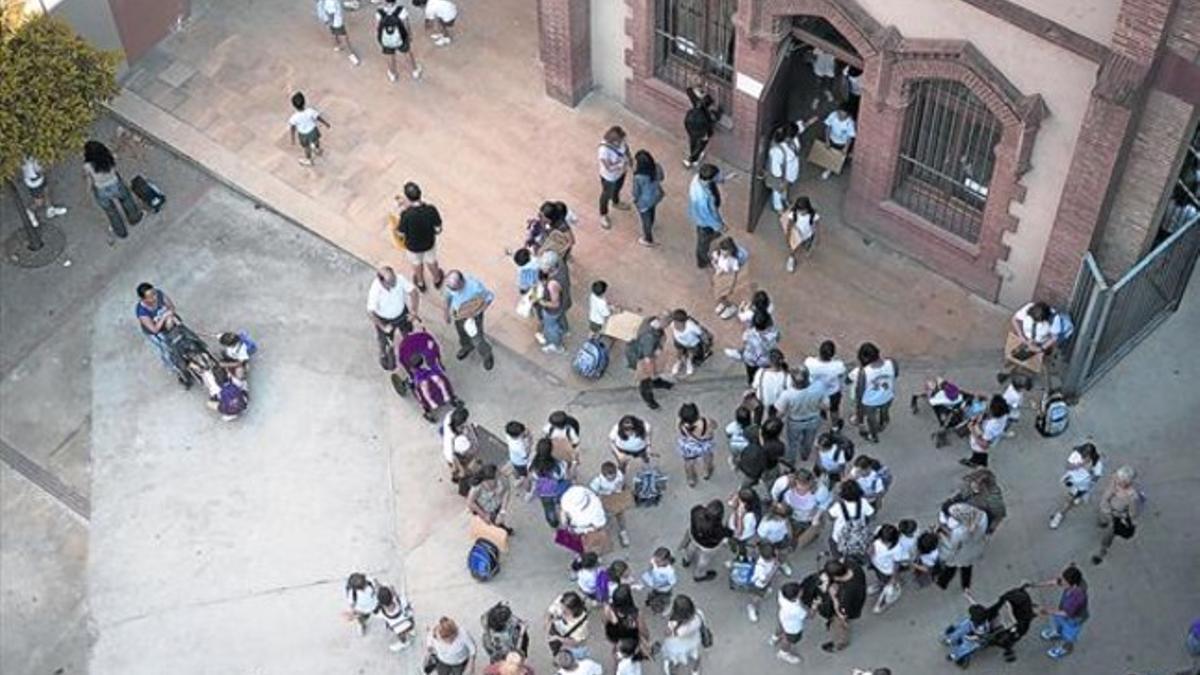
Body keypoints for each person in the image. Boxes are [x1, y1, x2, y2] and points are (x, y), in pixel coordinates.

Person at [83, 140, 142, 238]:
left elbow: (89, 180)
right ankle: (134, 218)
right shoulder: (109, 157)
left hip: (101, 190)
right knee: (126, 200)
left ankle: (121, 232)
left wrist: (88, 193)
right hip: (115, 184)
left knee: (111, 212)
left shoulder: (87, 166)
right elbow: (117, 157)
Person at [1031, 565, 1089, 660]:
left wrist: (1046, 611)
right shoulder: (1075, 581)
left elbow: (1067, 613)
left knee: (1068, 637)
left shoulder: (1077, 597)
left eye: (1064, 582)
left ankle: (1065, 649)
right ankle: (1057, 633)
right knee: (1058, 622)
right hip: (1063, 610)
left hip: (1073, 620)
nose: (1061, 582)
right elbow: (1055, 582)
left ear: (1073, 585)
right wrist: (1034, 585)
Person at [367, 265, 419, 370]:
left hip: (402, 314)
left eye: (393, 279)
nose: (394, 283)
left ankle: (412, 355)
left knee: (408, 334)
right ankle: (384, 355)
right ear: (382, 282)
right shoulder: (375, 290)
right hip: (385, 320)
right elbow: (370, 312)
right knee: (385, 341)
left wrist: (414, 311)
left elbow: (413, 292)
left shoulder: (399, 279)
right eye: (390, 282)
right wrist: (383, 327)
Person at [442, 270, 495, 370]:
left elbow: (489, 297)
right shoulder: (450, 285)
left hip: (474, 316)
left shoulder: (475, 287)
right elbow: (447, 297)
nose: (452, 290)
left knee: (477, 339)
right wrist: (446, 313)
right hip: (459, 315)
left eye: (454, 288)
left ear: (461, 283)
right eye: (450, 288)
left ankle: (487, 354)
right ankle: (467, 346)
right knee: (461, 333)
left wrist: (477, 311)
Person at [396, 182, 444, 291]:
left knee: (416, 263)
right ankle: (437, 279)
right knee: (431, 261)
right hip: (428, 243)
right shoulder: (431, 210)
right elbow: (438, 229)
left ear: (407, 198)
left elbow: (400, 233)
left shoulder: (406, 215)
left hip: (413, 246)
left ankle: (420, 282)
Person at [774, 366, 825, 465]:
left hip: (795, 422)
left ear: (792, 380)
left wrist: (775, 422)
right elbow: (826, 405)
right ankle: (805, 455)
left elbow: (780, 412)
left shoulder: (787, 394)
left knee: (792, 442)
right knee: (809, 440)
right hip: (813, 419)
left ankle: (791, 460)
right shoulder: (818, 389)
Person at [1091, 465, 1142, 565]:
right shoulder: (1115, 481)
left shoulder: (1131, 497)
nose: (1116, 480)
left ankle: (1101, 552)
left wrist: (1124, 518)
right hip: (1105, 509)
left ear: (1127, 482)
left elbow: (1132, 514)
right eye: (1117, 477)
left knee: (1107, 537)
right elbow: (1106, 496)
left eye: (1120, 480)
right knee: (1101, 520)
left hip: (1115, 517)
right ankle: (1102, 523)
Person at [935, 501, 989, 592]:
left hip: (960, 553)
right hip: (975, 549)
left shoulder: (959, 532)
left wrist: (941, 534)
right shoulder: (982, 516)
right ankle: (966, 586)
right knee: (967, 568)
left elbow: (953, 545)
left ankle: (942, 583)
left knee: (951, 568)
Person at [1049, 443, 1104, 529]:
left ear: (1091, 456)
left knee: (1068, 501)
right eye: (1082, 455)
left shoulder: (1097, 465)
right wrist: (1079, 465)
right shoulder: (1076, 454)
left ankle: (1059, 516)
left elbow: (1096, 478)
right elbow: (1068, 466)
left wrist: (1089, 477)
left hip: (1081, 487)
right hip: (1070, 480)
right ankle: (1078, 499)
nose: (1082, 457)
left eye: (1085, 456)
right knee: (1069, 498)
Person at [775, 468, 831, 551]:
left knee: (808, 533)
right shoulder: (786, 484)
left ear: (810, 483)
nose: (800, 488)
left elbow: (825, 502)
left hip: (808, 518)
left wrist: (817, 516)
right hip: (792, 514)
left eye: (804, 486)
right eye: (798, 484)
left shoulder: (820, 491)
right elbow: (777, 494)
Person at [850, 342, 896, 443]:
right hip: (887, 395)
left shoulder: (865, 372)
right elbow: (895, 375)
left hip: (870, 401)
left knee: (871, 419)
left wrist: (859, 408)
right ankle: (884, 423)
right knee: (885, 411)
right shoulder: (891, 363)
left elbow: (860, 391)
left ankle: (873, 436)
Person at [135, 282, 182, 381]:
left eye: (154, 293)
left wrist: (171, 315)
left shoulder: (160, 294)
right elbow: (154, 329)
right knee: (167, 349)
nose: (154, 298)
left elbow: (171, 307)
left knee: (181, 336)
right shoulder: (141, 311)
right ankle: (175, 369)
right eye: (150, 297)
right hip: (155, 332)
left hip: (167, 323)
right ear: (143, 299)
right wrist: (164, 317)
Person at [821, 558, 867, 652]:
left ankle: (840, 643)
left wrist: (833, 596)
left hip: (850, 607)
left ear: (836, 577)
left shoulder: (847, 594)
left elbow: (841, 613)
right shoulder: (852, 565)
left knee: (840, 624)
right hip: (860, 594)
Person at [680, 500, 732, 582]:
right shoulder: (718, 529)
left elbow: (696, 509)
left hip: (694, 536)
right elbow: (727, 534)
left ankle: (686, 560)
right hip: (707, 546)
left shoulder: (696, 511)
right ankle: (699, 575)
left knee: (691, 547)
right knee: (704, 559)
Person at [627, 317, 672, 410]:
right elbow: (648, 359)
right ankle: (649, 400)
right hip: (640, 359)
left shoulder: (651, 322)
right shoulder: (649, 337)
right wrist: (652, 373)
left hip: (640, 352)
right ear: (663, 323)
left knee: (653, 371)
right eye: (668, 324)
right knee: (645, 380)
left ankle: (656, 382)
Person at [688, 164, 726, 268]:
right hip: (703, 222)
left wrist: (723, 179)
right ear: (710, 179)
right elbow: (707, 216)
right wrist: (719, 226)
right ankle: (702, 261)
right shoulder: (701, 198)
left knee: (708, 234)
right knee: (703, 243)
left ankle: (713, 234)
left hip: (704, 213)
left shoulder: (698, 178)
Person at [828, 480, 873, 564]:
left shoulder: (839, 505)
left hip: (839, 537)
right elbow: (870, 514)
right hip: (858, 536)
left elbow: (830, 516)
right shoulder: (863, 502)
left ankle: (840, 561)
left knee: (833, 543)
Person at [603, 585, 648, 668]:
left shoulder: (609, 608)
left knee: (616, 650)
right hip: (630, 638)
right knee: (629, 652)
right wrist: (645, 639)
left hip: (615, 635)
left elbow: (606, 622)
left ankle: (617, 666)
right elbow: (643, 630)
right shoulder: (636, 614)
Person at [375, 0, 422, 81]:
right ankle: (415, 71)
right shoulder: (401, 10)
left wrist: (379, 37)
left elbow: (377, 27)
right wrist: (409, 35)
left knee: (390, 55)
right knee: (407, 53)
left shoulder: (379, 12)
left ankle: (393, 74)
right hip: (401, 38)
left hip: (386, 40)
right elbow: (406, 25)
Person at [951, 468, 1007, 535]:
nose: (972, 483)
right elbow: (962, 495)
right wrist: (953, 500)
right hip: (965, 514)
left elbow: (999, 514)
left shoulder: (993, 498)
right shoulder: (970, 489)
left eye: (975, 481)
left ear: (983, 485)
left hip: (978, 522)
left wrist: (990, 529)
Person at [598, 126, 633, 229]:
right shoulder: (604, 150)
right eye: (619, 141)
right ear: (613, 141)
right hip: (609, 177)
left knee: (618, 188)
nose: (622, 142)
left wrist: (630, 160)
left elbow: (626, 149)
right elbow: (608, 167)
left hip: (621, 172)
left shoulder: (621, 141)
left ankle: (616, 202)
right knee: (606, 195)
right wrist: (619, 165)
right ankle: (603, 214)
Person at [961, 394, 1010, 468]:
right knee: (978, 455)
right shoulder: (1004, 414)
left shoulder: (991, 427)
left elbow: (984, 445)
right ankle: (976, 461)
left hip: (982, 441)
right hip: (990, 435)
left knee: (979, 453)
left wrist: (972, 430)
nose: (986, 404)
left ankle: (980, 465)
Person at [591, 462, 632, 547]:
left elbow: (623, 484)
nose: (613, 478)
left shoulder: (619, 475)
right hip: (605, 501)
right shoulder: (597, 481)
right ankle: (604, 537)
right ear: (604, 475)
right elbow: (593, 494)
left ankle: (623, 532)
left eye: (614, 476)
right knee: (606, 520)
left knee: (620, 516)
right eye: (610, 478)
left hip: (616, 498)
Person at [662, 594, 705, 674]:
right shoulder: (699, 614)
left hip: (678, 646)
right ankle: (695, 671)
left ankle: (671, 671)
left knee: (674, 660)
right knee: (696, 656)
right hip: (694, 641)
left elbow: (667, 633)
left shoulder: (676, 627)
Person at [443, 406, 480, 497]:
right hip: (458, 458)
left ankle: (455, 476)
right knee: (464, 475)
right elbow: (466, 453)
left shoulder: (449, 416)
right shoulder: (460, 440)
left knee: (456, 471)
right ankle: (465, 491)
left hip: (449, 454)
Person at [676, 402, 716, 487]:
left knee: (689, 462)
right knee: (707, 457)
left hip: (690, 446)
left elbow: (682, 434)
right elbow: (715, 426)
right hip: (704, 444)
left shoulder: (681, 424)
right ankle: (706, 472)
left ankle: (691, 479)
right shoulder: (706, 422)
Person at [288, 92, 332, 167]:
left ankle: (309, 160)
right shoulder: (310, 111)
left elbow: (292, 128)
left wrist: (292, 138)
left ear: (294, 106)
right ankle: (317, 149)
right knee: (316, 140)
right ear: (304, 102)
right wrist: (326, 123)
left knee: (306, 147)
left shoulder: (294, 117)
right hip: (313, 130)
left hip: (303, 134)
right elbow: (318, 117)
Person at [737, 311, 781, 386]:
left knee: (751, 375)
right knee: (766, 375)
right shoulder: (774, 333)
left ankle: (752, 385)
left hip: (751, 359)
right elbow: (777, 339)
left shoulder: (748, 333)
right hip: (765, 361)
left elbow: (745, 342)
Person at [868, 524, 903, 614]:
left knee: (885, 583)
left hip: (884, 569)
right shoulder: (880, 533)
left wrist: (893, 578)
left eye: (886, 542)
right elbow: (896, 564)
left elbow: (896, 564)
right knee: (885, 583)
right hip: (880, 567)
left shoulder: (897, 548)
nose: (883, 542)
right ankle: (880, 596)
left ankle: (880, 590)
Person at [631, 150, 664, 246]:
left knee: (645, 219)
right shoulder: (657, 167)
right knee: (652, 210)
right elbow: (662, 178)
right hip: (656, 195)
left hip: (644, 200)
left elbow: (636, 191)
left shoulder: (638, 177)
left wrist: (635, 199)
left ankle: (648, 239)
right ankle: (652, 223)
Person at [546, 591, 591, 660]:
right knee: (554, 647)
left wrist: (558, 638)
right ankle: (556, 654)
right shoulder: (562, 600)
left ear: (574, 610)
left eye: (565, 611)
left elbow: (575, 642)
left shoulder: (581, 624)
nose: (561, 611)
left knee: (564, 653)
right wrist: (548, 624)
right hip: (556, 629)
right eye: (561, 607)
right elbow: (551, 612)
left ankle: (559, 657)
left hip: (567, 638)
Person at [764, 124, 800, 213]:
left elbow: (800, 126)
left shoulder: (793, 140)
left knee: (785, 188)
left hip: (791, 172)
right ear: (787, 137)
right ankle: (778, 207)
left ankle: (784, 198)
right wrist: (782, 180)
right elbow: (776, 170)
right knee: (778, 190)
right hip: (783, 176)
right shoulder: (777, 150)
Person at [683, 85, 720, 168]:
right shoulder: (707, 114)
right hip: (700, 128)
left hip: (690, 125)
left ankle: (692, 157)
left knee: (693, 141)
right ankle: (692, 159)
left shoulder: (696, 103)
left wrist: (698, 91)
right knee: (701, 144)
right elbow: (715, 117)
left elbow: (689, 90)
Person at [467, 464, 512, 532]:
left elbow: (507, 492)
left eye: (498, 475)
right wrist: (484, 516)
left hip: (498, 504)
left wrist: (502, 511)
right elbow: (470, 502)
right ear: (487, 479)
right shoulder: (477, 488)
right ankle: (503, 529)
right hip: (488, 510)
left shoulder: (499, 479)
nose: (498, 478)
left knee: (500, 519)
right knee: (497, 523)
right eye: (496, 477)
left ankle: (502, 526)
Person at [780, 196, 820, 272]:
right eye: (799, 210)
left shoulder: (813, 215)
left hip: (807, 235)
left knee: (805, 245)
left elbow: (817, 227)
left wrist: (817, 239)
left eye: (803, 210)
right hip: (796, 235)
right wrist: (788, 237)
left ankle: (804, 249)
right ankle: (791, 259)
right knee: (793, 249)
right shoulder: (793, 214)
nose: (801, 212)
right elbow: (789, 225)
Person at [751, 349, 792, 423]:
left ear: (769, 361)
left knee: (757, 416)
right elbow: (789, 392)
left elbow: (754, 386)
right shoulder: (787, 376)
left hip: (761, 399)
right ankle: (770, 426)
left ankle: (756, 426)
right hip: (776, 403)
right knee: (772, 418)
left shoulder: (761, 372)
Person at [745, 542, 781, 624]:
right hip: (758, 585)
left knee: (766, 588)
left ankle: (766, 590)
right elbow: (764, 580)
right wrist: (774, 569)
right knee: (757, 597)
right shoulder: (760, 567)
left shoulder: (771, 556)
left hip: (766, 582)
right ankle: (752, 607)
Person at [535, 266, 568, 354]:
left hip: (552, 312)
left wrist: (542, 302)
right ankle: (565, 330)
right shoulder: (559, 273)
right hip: (563, 305)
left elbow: (555, 304)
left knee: (551, 328)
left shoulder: (551, 286)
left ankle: (557, 345)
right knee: (561, 319)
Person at [709, 237, 744, 320]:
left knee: (721, 296)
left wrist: (732, 286)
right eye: (722, 250)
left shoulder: (733, 261)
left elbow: (735, 274)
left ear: (731, 250)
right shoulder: (717, 254)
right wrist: (715, 264)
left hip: (727, 279)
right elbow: (714, 262)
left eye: (726, 251)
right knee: (718, 294)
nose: (723, 253)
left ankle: (730, 307)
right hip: (718, 277)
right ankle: (723, 304)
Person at [315, 0, 360, 65]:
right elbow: (319, 4)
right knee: (338, 32)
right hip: (328, 11)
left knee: (340, 32)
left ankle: (345, 50)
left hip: (333, 11)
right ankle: (344, 49)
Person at [374, 585, 415, 652]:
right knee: (410, 626)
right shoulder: (401, 600)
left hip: (398, 629)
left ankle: (404, 643)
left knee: (401, 636)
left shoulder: (381, 613)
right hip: (409, 623)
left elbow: (376, 615)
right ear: (392, 595)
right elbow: (410, 606)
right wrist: (395, 593)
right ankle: (411, 631)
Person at [820, 107, 856, 180]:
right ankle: (829, 168)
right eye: (839, 114)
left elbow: (850, 137)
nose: (840, 117)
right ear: (837, 111)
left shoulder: (850, 123)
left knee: (837, 156)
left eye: (843, 116)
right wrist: (827, 141)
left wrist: (846, 147)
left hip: (842, 143)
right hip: (832, 139)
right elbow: (828, 127)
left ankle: (829, 170)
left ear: (847, 115)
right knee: (830, 154)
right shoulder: (833, 115)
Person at [640, 547, 678, 616]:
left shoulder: (669, 571)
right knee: (653, 594)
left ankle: (666, 608)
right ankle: (651, 601)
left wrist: (660, 584)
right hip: (655, 586)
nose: (656, 563)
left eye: (658, 562)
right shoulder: (654, 561)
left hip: (664, 590)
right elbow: (651, 567)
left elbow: (672, 582)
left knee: (663, 600)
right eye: (655, 560)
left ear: (666, 561)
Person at [669, 309, 706, 378]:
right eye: (675, 322)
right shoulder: (672, 324)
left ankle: (689, 363)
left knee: (692, 354)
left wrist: (704, 343)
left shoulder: (691, 326)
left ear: (684, 322)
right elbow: (674, 333)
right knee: (679, 352)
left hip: (692, 343)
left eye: (678, 323)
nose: (676, 325)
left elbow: (700, 333)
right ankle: (679, 362)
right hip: (679, 342)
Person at [503, 421, 534, 500]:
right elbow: (526, 455)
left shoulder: (508, 436)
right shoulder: (519, 446)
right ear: (519, 434)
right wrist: (530, 441)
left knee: (515, 469)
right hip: (522, 463)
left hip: (513, 458)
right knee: (525, 477)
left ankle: (517, 480)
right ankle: (528, 491)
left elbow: (525, 430)